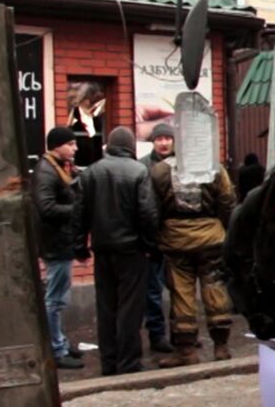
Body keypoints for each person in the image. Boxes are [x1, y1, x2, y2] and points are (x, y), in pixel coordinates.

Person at [74, 127, 159, 375]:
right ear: (131, 146)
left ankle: (108, 362)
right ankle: (129, 362)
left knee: (106, 307)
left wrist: (79, 246)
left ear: (109, 145)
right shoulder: (138, 171)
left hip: (102, 248)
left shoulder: (91, 172)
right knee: (130, 308)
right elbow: (148, 213)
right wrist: (150, 245)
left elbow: (79, 213)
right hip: (131, 250)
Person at [148, 148, 238, 366]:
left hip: (176, 240)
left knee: (181, 293)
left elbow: (152, 208)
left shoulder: (160, 170)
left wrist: (157, 235)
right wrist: (223, 228)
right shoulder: (214, 167)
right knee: (215, 286)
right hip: (211, 236)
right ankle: (221, 347)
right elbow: (227, 201)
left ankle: (186, 351)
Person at [34, 127, 86, 370]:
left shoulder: (59, 167)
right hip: (55, 243)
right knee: (55, 299)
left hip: (60, 241)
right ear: (58, 145)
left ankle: (61, 343)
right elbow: (46, 207)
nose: (75, 148)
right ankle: (56, 349)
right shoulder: (47, 171)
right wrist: (76, 211)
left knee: (58, 297)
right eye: (71, 144)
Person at [138, 122, 176, 354]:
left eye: (166, 138)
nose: (163, 143)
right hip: (153, 238)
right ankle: (157, 334)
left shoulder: (181, 165)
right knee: (153, 291)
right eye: (158, 139)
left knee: (180, 289)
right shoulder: (143, 166)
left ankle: (181, 334)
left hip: (177, 235)